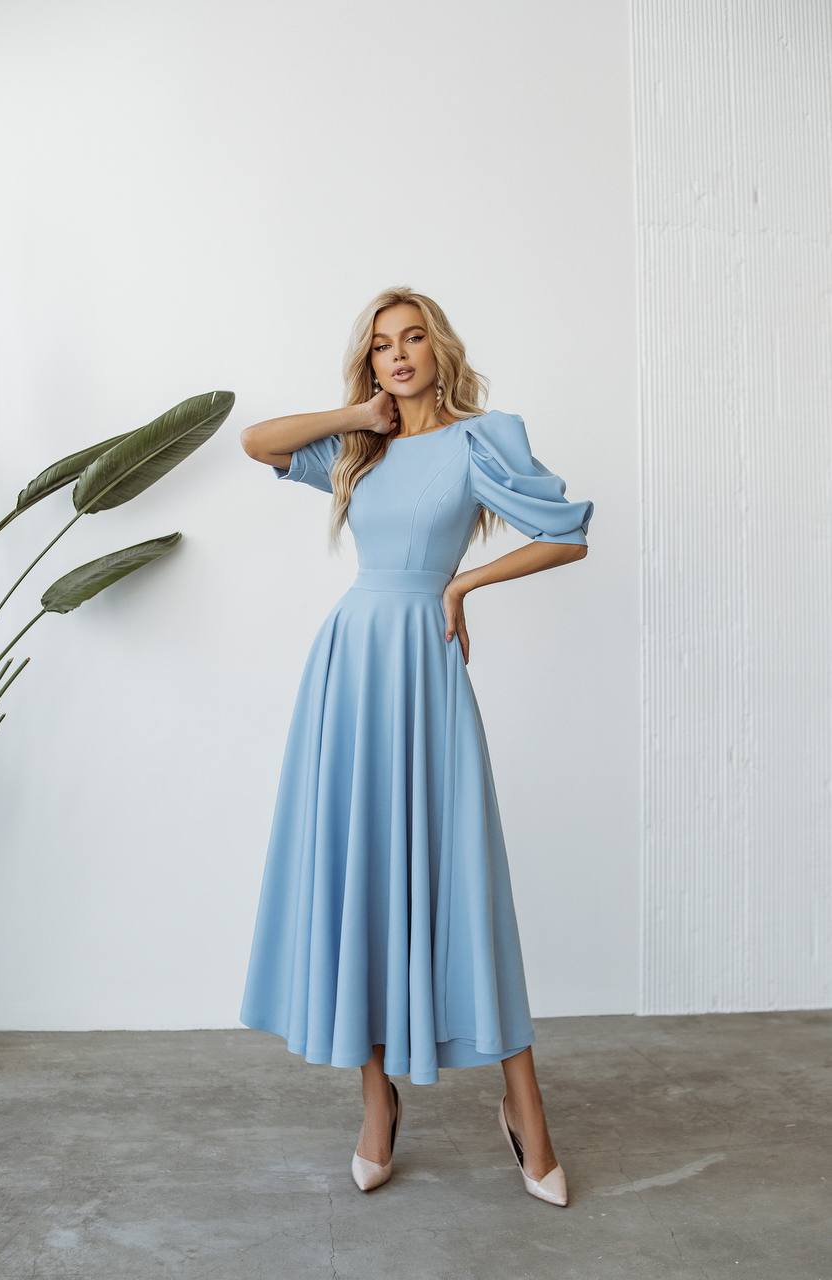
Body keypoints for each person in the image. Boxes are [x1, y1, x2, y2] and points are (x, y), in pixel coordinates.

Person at [239, 286, 594, 1205]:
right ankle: (374, 1100)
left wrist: (464, 586)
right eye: (381, 345)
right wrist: (360, 413)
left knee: (462, 877)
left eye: (413, 339)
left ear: (440, 348)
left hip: (424, 665)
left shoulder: (480, 440)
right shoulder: (359, 451)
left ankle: (524, 1109)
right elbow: (256, 441)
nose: (398, 356)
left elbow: (567, 533)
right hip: (349, 666)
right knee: (361, 868)